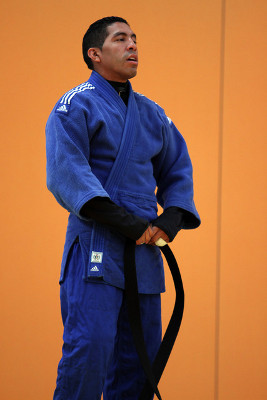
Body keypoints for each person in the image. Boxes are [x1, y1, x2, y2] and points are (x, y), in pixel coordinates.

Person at [46, 16, 200, 400]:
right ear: (94, 54)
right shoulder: (75, 104)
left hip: (146, 248)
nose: (133, 45)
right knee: (90, 350)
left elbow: (177, 168)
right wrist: (124, 221)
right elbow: (67, 173)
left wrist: (172, 219)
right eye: (121, 39)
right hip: (98, 242)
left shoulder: (152, 113)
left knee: (140, 362)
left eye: (135, 39)